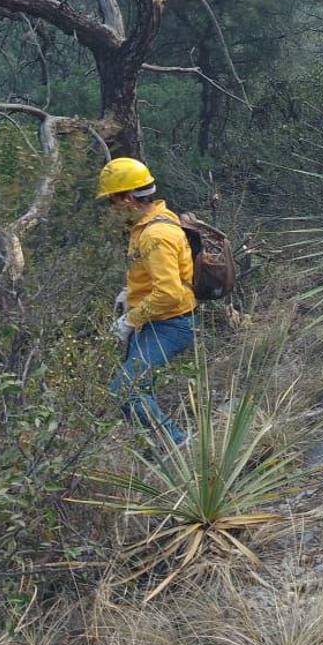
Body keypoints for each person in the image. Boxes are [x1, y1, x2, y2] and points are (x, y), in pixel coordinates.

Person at [97, 158, 197, 447]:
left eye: (111, 201)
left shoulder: (155, 234)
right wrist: (130, 292)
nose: (111, 208)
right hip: (157, 322)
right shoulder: (150, 223)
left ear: (127, 198)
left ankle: (179, 445)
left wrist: (131, 319)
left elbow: (169, 293)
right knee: (137, 387)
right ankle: (160, 447)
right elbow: (156, 275)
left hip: (170, 325)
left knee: (125, 389)